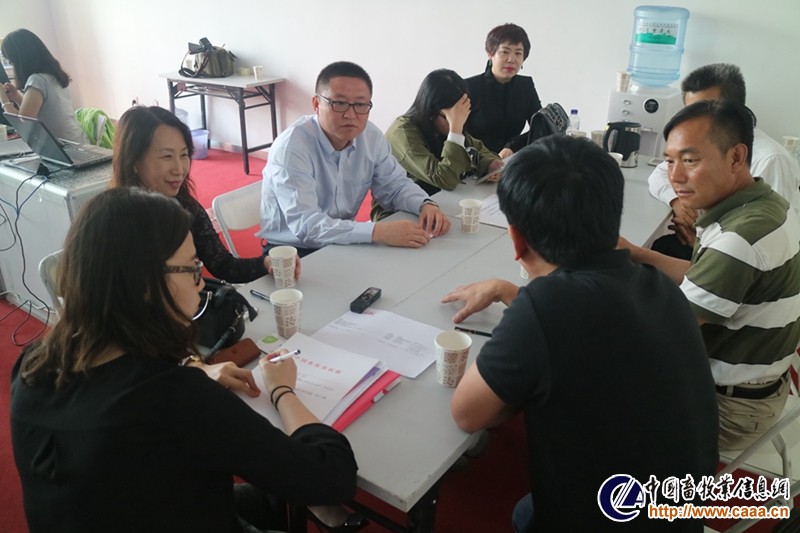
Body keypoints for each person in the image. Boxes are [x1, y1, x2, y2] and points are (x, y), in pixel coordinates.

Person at [10, 187, 358, 532]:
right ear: (145, 282)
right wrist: (283, 391)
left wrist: (196, 369)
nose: (201, 285)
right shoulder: (177, 399)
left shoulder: (33, 366)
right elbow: (331, 478)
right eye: (192, 269)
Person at [445, 136, 718, 531]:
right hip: (682, 513)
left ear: (516, 239)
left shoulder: (543, 308)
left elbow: (468, 413)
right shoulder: (657, 285)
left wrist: (523, 316)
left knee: (525, 516)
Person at [621, 100, 800, 451]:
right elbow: (705, 276)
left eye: (690, 161)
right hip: (756, 386)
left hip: (727, 407)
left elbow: (659, 333)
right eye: (669, 161)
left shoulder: (741, 238)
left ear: (736, 157)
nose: (675, 177)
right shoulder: (764, 204)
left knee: (580, 385)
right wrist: (637, 253)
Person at [258, 61, 450, 256]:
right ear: (316, 104)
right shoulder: (292, 147)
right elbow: (307, 226)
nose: (350, 115)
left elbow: (395, 186)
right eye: (339, 103)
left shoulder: (371, 137)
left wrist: (425, 204)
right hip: (292, 251)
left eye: (360, 105)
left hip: (342, 240)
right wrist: (377, 231)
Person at [110, 105, 299, 285]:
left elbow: (223, 265)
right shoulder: (115, 222)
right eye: (167, 156)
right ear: (134, 161)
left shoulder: (186, 207)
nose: (179, 169)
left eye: (184, 155)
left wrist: (265, 263)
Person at [648, 63, 800, 259]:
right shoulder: (699, 144)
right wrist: (678, 203)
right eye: (689, 111)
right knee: (658, 248)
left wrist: (702, 241)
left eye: (705, 111)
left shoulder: (771, 159)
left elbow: (765, 241)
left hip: (742, 256)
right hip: (709, 240)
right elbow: (658, 175)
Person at [372, 69, 502, 220]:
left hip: (439, 203)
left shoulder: (439, 124)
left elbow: (476, 148)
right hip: (398, 213)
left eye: (463, 115)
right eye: (451, 117)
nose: (460, 122)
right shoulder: (403, 132)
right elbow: (444, 179)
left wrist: (490, 164)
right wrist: (455, 129)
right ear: (431, 111)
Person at [465, 23, 542, 159]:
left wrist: (512, 146)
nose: (511, 59)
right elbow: (456, 134)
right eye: (505, 52)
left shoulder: (526, 86)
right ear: (490, 54)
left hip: (510, 162)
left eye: (518, 53)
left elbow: (540, 128)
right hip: (473, 163)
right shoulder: (469, 87)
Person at [0, 28, 89, 144]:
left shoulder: (37, 80)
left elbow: (23, 125)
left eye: (11, 61)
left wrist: (3, 98)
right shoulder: (51, 75)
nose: (11, 65)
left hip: (67, 147)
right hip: (77, 141)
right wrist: (16, 96)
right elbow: (37, 112)